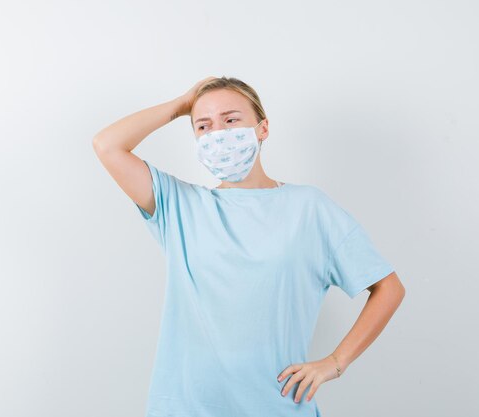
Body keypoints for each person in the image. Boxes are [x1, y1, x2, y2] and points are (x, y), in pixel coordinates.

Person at [92, 76, 406, 417]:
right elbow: (107, 145)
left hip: (276, 405)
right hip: (184, 407)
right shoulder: (181, 206)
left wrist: (335, 362)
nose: (218, 134)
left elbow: (388, 288)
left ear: (262, 128)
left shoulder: (310, 208)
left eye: (231, 120)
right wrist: (181, 105)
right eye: (204, 126)